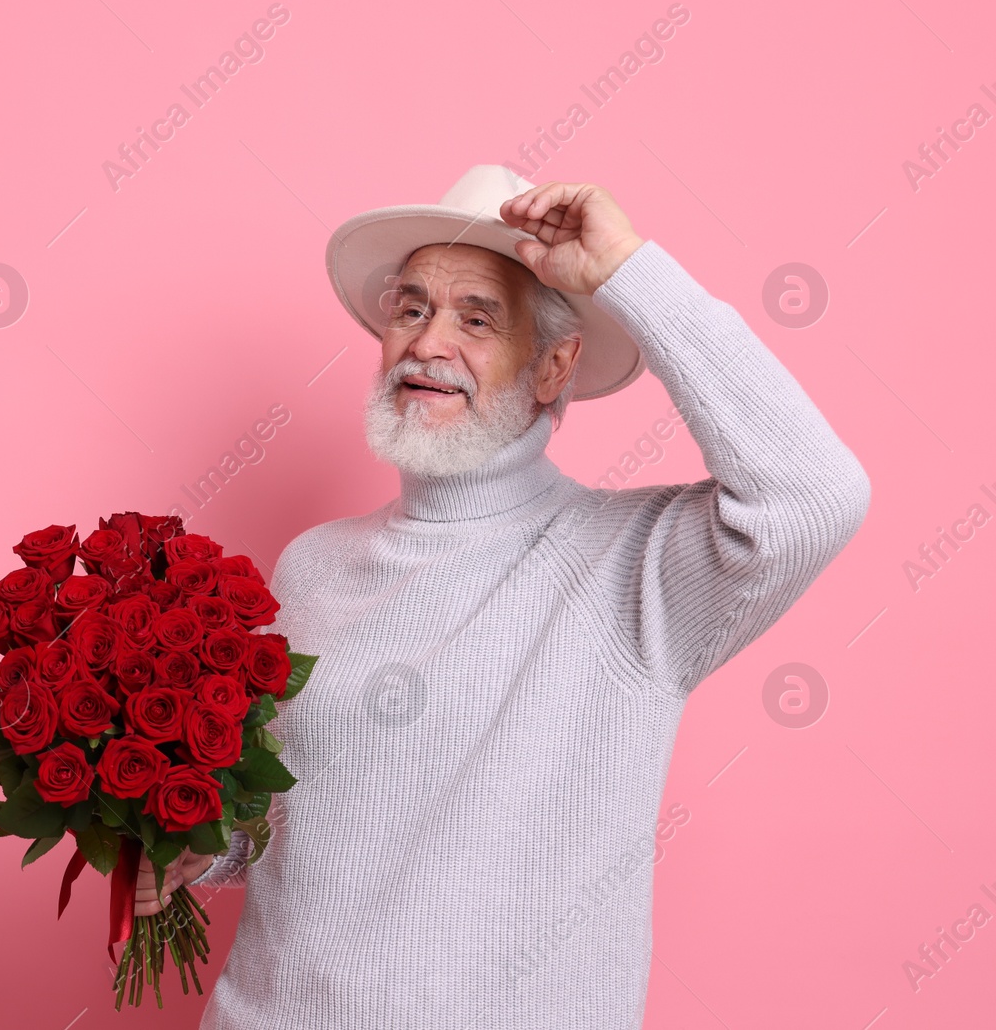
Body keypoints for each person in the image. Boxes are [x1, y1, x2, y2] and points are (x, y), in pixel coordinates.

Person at [134, 166, 871, 1027]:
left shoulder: (633, 565)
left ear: (555, 365)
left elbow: (814, 495)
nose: (427, 343)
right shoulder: (312, 565)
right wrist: (201, 846)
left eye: (476, 319)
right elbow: (295, 808)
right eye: (410, 309)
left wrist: (629, 273)